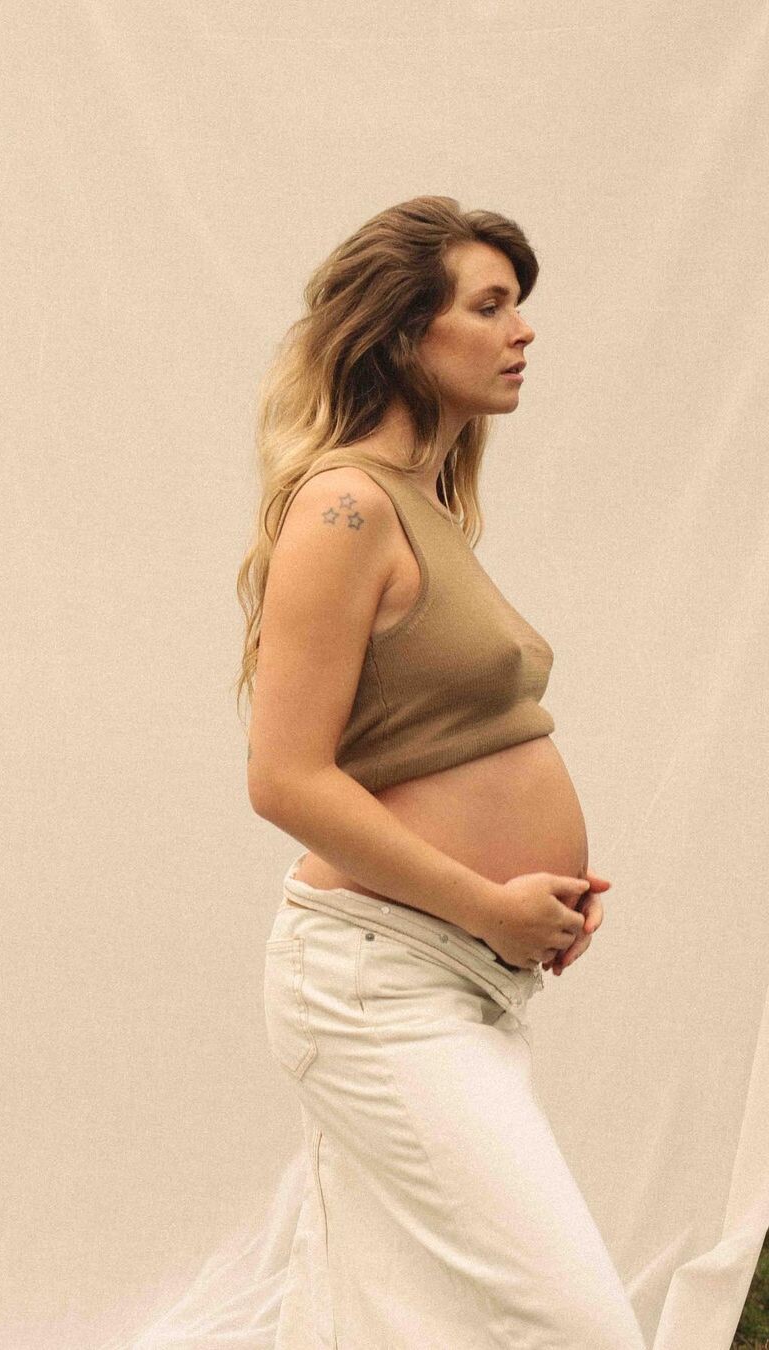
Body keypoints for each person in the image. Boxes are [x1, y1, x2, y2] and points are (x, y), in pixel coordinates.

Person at [235, 198, 647, 1347]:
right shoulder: (346, 505)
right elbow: (284, 778)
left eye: (519, 306)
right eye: (490, 305)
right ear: (405, 330)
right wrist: (486, 903)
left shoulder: (422, 507)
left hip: (453, 975)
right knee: (581, 1329)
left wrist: (524, 905)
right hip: (377, 986)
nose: (522, 331)